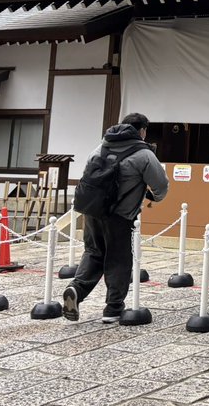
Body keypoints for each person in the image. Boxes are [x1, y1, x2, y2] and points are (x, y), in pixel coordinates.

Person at [62, 113, 168, 324]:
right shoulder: (143, 154)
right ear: (143, 131)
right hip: (121, 216)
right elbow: (161, 185)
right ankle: (113, 308)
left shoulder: (100, 148)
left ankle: (76, 289)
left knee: (93, 253)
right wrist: (154, 197)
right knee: (118, 259)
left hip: (92, 212)